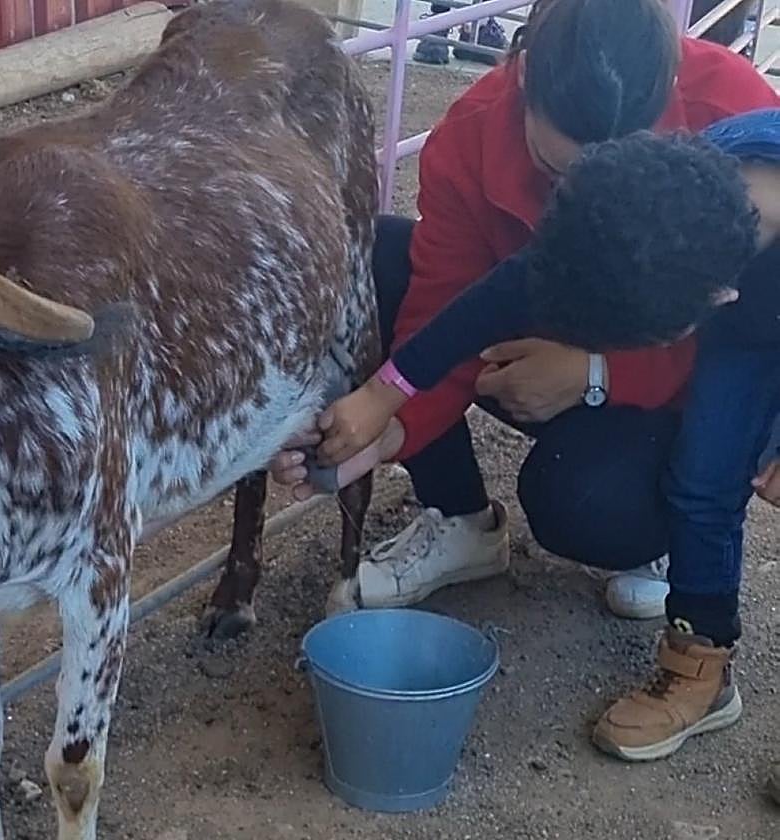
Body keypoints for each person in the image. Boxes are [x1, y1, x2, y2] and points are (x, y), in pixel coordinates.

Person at [276, 112, 780, 771]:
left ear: (711, 300)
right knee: (704, 473)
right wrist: (382, 396)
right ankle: (700, 662)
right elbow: (501, 292)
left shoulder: (696, 229)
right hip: (748, 317)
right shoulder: (656, 196)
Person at [276, 0, 780, 622]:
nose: (568, 199)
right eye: (553, 170)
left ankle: (675, 577)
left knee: (623, 494)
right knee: (382, 256)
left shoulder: (736, 135)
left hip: (687, 371)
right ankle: (461, 521)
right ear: (522, 70)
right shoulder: (488, 141)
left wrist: (598, 373)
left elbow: (737, 348)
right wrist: (388, 419)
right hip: (556, 323)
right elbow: (466, 301)